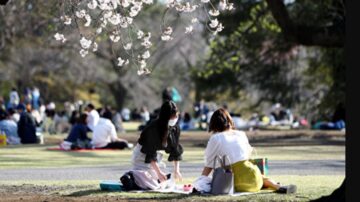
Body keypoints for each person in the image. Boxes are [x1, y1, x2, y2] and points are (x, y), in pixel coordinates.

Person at [198, 108, 297, 193]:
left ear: (213, 124)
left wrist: (200, 181)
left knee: (214, 181)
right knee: (255, 173)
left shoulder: (215, 138)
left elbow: (209, 165)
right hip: (255, 179)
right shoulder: (240, 134)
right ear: (229, 121)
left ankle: (276, 186)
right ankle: (277, 186)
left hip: (234, 182)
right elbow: (247, 154)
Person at [121, 101, 183, 190]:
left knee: (167, 180)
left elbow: (175, 149)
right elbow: (150, 153)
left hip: (156, 158)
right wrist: (158, 172)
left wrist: (176, 170)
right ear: (166, 116)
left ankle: (142, 179)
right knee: (154, 185)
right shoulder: (154, 128)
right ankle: (131, 176)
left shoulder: (175, 128)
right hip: (142, 156)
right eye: (173, 116)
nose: (175, 118)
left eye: (177, 116)